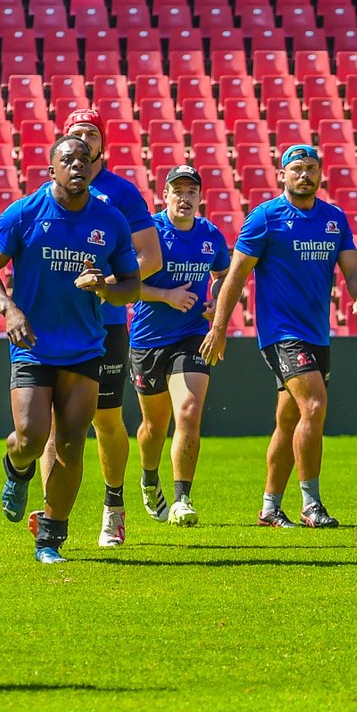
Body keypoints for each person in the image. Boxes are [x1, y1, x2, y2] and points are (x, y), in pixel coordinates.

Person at [0, 135, 140, 564]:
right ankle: (17, 468)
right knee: (31, 437)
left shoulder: (111, 220)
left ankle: (49, 538)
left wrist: (105, 287)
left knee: (70, 444)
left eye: (85, 159)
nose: (78, 165)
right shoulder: (26, 212)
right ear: (52, 170)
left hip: (86, 348)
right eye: (68, 159)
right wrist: (9, 309)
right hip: (32, 345)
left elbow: (131, 286)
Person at [201, 143, 357, 529]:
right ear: (282, 175)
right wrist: (220, 327)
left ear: (320, 174)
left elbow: (353, 268)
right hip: (281, 333)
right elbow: (236, 276)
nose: (305, 174)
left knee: (289, 419)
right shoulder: (264, 218)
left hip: (317, 333)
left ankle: (269, 507)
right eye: (297, 168)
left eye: (312, 167)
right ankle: (311, 505)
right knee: (314, 406)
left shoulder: (334, 219)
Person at [42, 108, 162, 548]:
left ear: (102, 145)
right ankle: (52, 514)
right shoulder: (48, 193)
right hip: (56, 324)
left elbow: (150, 257)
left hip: (106, 323)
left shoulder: (123, 194)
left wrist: (107, 285)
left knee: (106, 420)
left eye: (91, 133)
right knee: (55, 424)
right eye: (75, 133)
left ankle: (114, 506)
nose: (84, 139)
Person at [129, 166, 230, 529]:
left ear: (199, 198)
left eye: (191, 192)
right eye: (178, 191)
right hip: (148, 340)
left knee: (188, 410)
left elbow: (224, 276)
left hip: (192, 335)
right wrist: (166, 296)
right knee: (154, 427)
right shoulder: (150, 232)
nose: (184, 198)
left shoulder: (209, 235)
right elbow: (123, 284)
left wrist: (216, 304)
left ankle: (182, 498)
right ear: (165, 195)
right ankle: (148, 477)